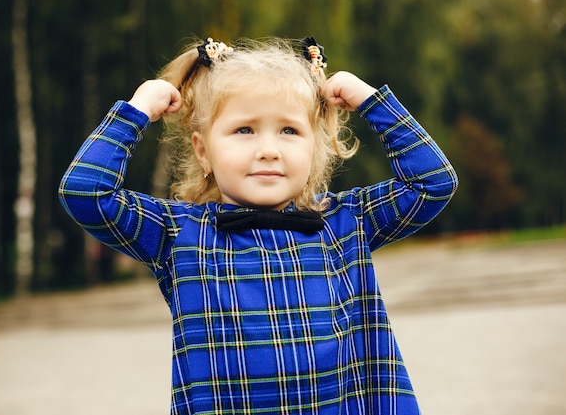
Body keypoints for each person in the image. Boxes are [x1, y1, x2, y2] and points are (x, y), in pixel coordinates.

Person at [59, 36, 457, 414]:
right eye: (244, 130)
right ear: (204, 151)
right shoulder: (178, 233)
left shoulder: (345, 222)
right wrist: (136, 109)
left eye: (289, 131)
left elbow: (433, 183)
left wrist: (370, 100)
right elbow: (84, 193)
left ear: (314, 148)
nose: (268, 150)